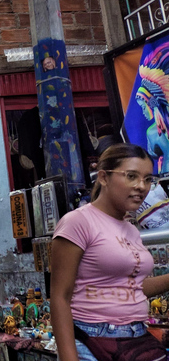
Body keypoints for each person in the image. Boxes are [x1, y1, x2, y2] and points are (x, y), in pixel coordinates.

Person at [51, 143, 169, 361]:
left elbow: (131, 287)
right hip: (91, 339)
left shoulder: (131, 230)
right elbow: (60, 297)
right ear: (104, 177)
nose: (141, 186)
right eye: (131, 176)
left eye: (148, 179)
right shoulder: (78, 222)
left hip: (136, 337)